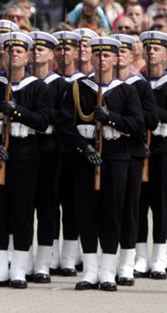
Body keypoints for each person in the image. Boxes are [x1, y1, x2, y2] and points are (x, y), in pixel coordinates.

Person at [59, 36, 144, 291]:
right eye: (97, 54)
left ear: (117, 59)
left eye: (107, 55)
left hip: (116, 158)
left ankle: (108, 270)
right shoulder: (78, 88)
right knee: (86, 213)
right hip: (86, 158)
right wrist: (83, 147)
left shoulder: (126, 90)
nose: (102, 59)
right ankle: (90, 269)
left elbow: (138, 125)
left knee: (111, 213)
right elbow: (65, 124)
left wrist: (111, 118)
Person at [0, 32, 49, 289]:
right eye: (10, 51)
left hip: (25, 157)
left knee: (22, 213)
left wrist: (16, 111)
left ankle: (18, 268)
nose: (14, 54)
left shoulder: (38, 87)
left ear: (28, 56)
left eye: (20, 51)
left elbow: (42, 121)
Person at [110, 32, 158, 285]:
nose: (119, 56)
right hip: (110, 153)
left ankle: (127, 263)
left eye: (124, 50)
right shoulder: (102, 83)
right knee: (110, 208)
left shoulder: (139, 85)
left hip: (133, 152)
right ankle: (106, 261)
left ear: (132, 55)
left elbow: (150, 119)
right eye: (114, 51)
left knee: (130, 208)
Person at [27, 31, 64, 283]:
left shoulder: (61, 85)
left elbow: (62, 118)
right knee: (23, 206)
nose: (38, 52)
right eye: (35, 48)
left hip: (51, 150)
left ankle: (44, 260)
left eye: (44, 49)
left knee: (48, 207)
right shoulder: (25, 84)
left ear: (52, 55)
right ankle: (24, 257)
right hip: (27, 150)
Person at [50, 30, 86, 276]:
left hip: (74, 151)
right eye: (60, 49)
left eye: (68, 49)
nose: (64, 53)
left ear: (76, 52)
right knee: (50, 204)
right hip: (51, 150)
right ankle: (50, 255)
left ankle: (69, 257)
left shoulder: (84, 83)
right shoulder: (47, 82)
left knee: (73, 206)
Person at [134, 30, 167, 280]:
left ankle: (160, 257)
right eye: (149, 48)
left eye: (157, 48)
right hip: (140, 147)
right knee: (139, 203)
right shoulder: (138, 82)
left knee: (162, 204)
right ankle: (141, 256)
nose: (152, 52)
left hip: (163, 148)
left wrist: (151, 112)